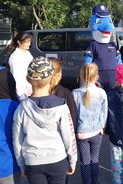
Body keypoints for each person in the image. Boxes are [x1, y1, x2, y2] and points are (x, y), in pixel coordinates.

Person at [13, 56, 77, 184]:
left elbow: (17, 140)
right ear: (52, 79)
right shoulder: (61, 106)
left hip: (33, 162)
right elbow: (69, 136)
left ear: (27, 79)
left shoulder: (21, 109)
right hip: (58, 159)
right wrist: (73, 159)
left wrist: (21, 164)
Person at [72, 63, 108, 184]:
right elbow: (104, 113)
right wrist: (102, 126)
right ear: (96, 77)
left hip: (82, 133)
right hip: (97, 131)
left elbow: (73, 115)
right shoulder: (102, 93)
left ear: (81, 76)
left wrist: (75, 131)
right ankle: (95, 182)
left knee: (85, 161)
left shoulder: (75, 93)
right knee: (95, 159)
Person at [85, 4, 122, 91]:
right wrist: (88, 72)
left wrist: (120, 71)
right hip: (98, 76)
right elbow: (88, 59)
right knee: (98, 97)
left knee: (112, 98)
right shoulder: (93, 44)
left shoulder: (112, 44)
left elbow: (118, 58)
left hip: (113, 76)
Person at [49, 58, 77, 130]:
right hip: (60, 137)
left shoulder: (36, 93)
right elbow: (72, 119)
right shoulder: (66, 93)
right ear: (58, 75)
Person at [8, 32, 33, 100]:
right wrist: (20, 93)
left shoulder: (28, 54)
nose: (29, 44)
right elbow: (15, 76)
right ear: (19, 42)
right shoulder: (15, 57)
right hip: (21, 90)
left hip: (29, 87)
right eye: (27, 42)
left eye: (30, 42)